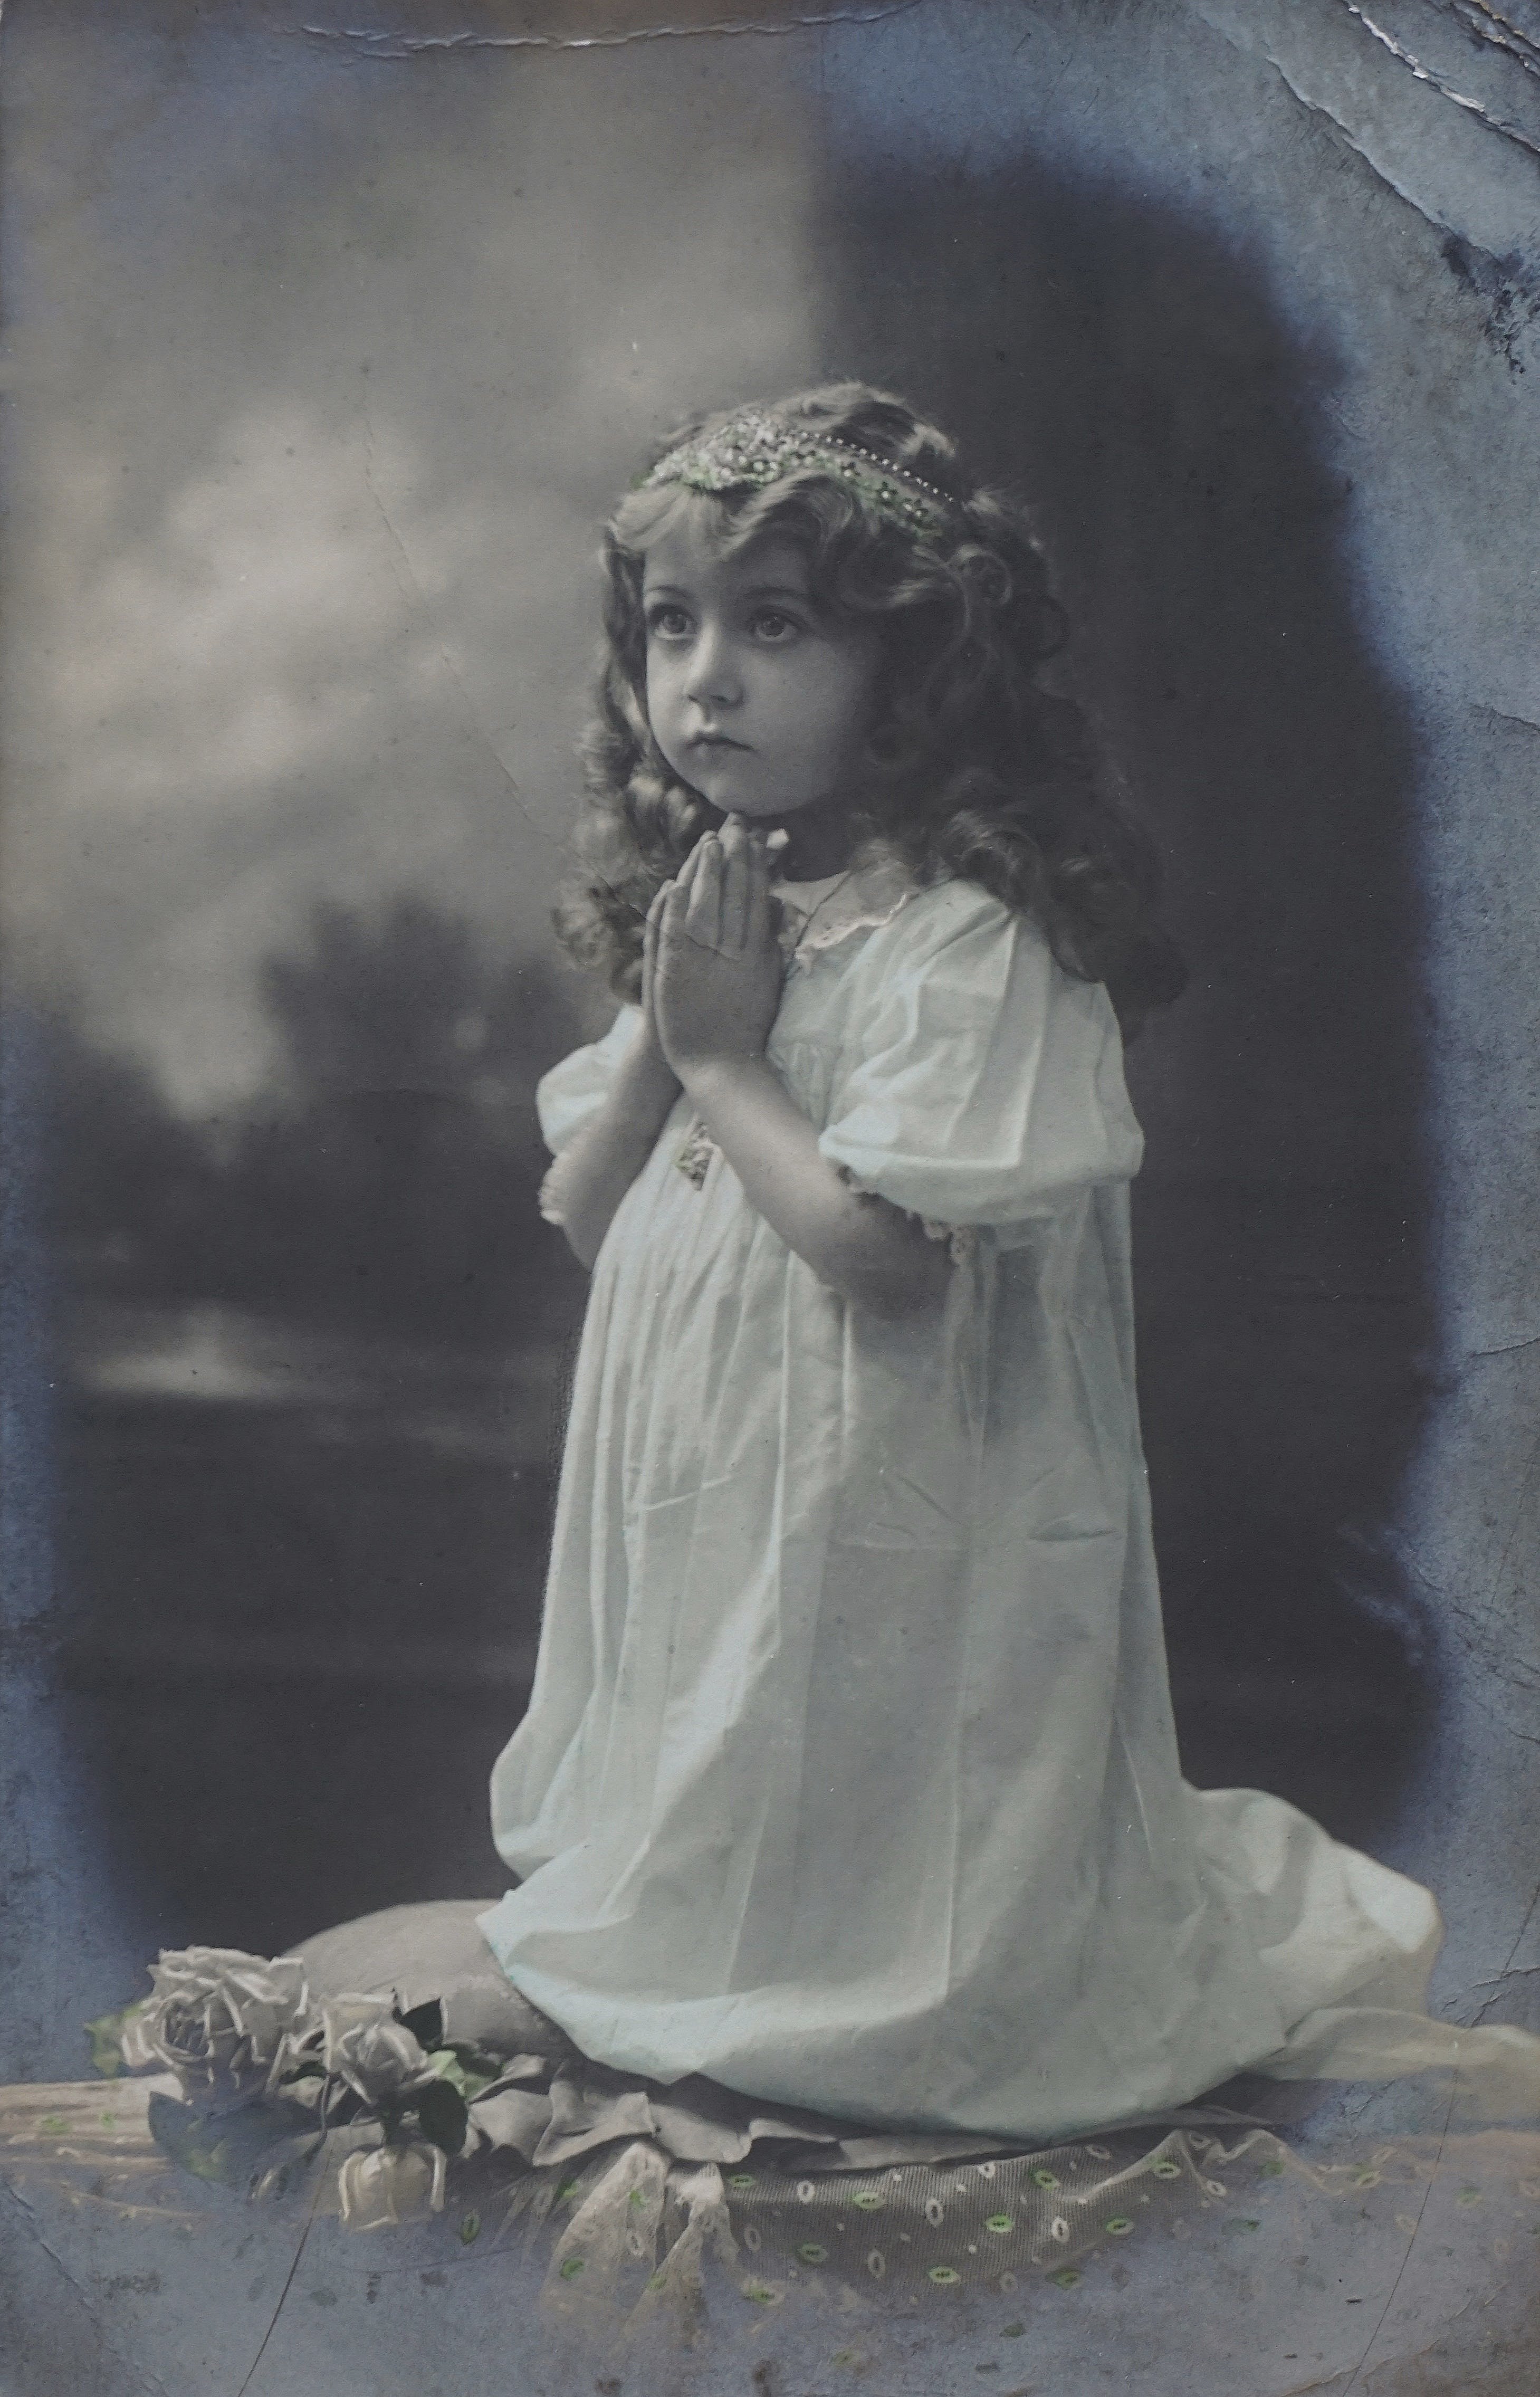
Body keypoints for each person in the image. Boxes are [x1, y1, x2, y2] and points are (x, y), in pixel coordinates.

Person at [477, 386, 1534, 2140]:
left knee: (868, 1719)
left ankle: (878, 1985)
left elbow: (892, 1270)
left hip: (898, 1472)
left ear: (909, 667)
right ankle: (711, 1942)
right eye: (672, 629)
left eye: (777, 626)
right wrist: (674, 1039)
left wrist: (729, 1064)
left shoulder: (969, 941)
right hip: (714, 1471)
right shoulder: (718, 919)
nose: (707, 680)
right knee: (727, 1700)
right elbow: (590, 1216)